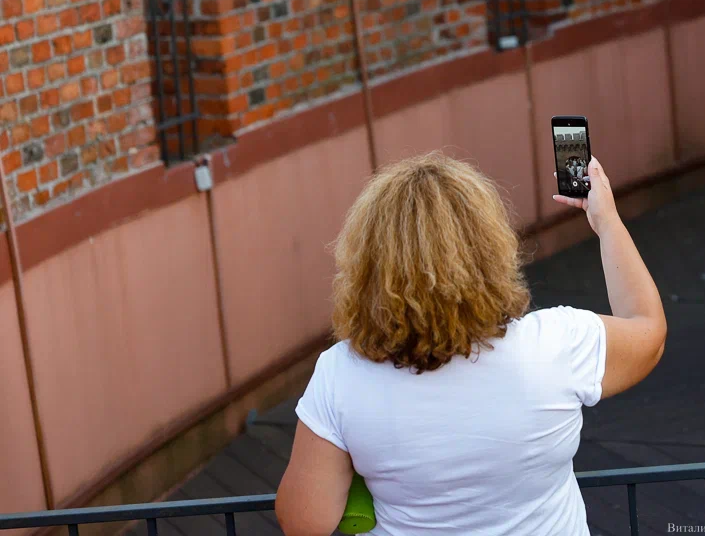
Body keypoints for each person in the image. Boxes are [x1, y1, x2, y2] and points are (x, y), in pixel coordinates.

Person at [276, 152, 667, 536]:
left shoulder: (341, 375)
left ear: (367, 266)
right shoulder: (557, 345)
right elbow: (648, 331)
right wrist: (606, 221)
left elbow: (305, 523)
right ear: (491, 250)